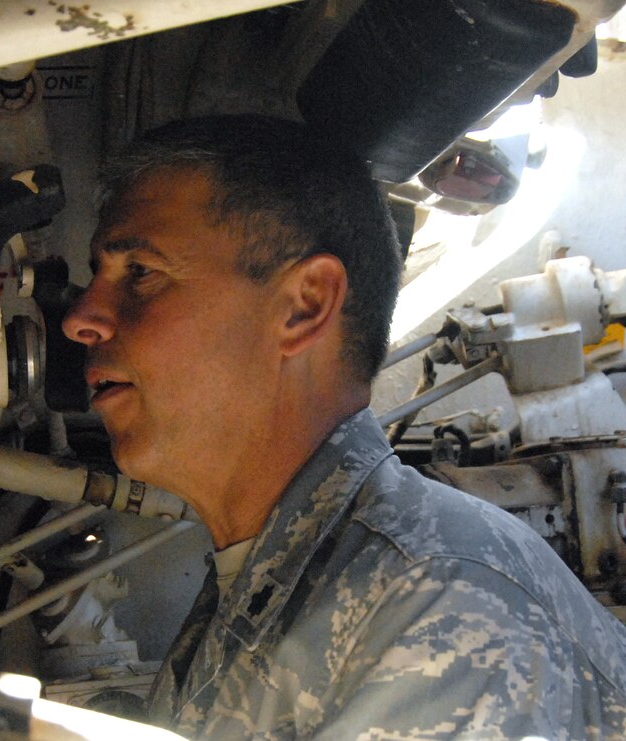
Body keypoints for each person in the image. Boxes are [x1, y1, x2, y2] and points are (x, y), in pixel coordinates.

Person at [61, 115, 626, 739]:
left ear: (304, 305)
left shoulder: (434, 604)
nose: (82, 319)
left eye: (139, 272)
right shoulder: (270, 586)